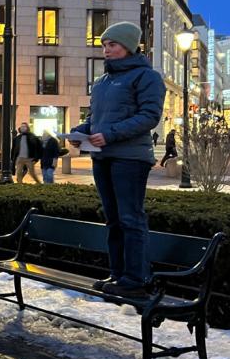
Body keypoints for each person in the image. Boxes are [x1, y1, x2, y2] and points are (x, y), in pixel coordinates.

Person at [70, 21, 164, 298]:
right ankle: (118, 274)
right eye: (104, 45)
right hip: (104, 157)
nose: (106, 50)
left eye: (112, 44)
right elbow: (95, 120)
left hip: (131, 158)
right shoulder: (102, 82)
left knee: (130, 218)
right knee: (113, 218)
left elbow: (149, 116)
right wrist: (79, 133)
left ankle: (135, 280)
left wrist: (108, 135)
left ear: (129, 46)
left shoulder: (147, 77)